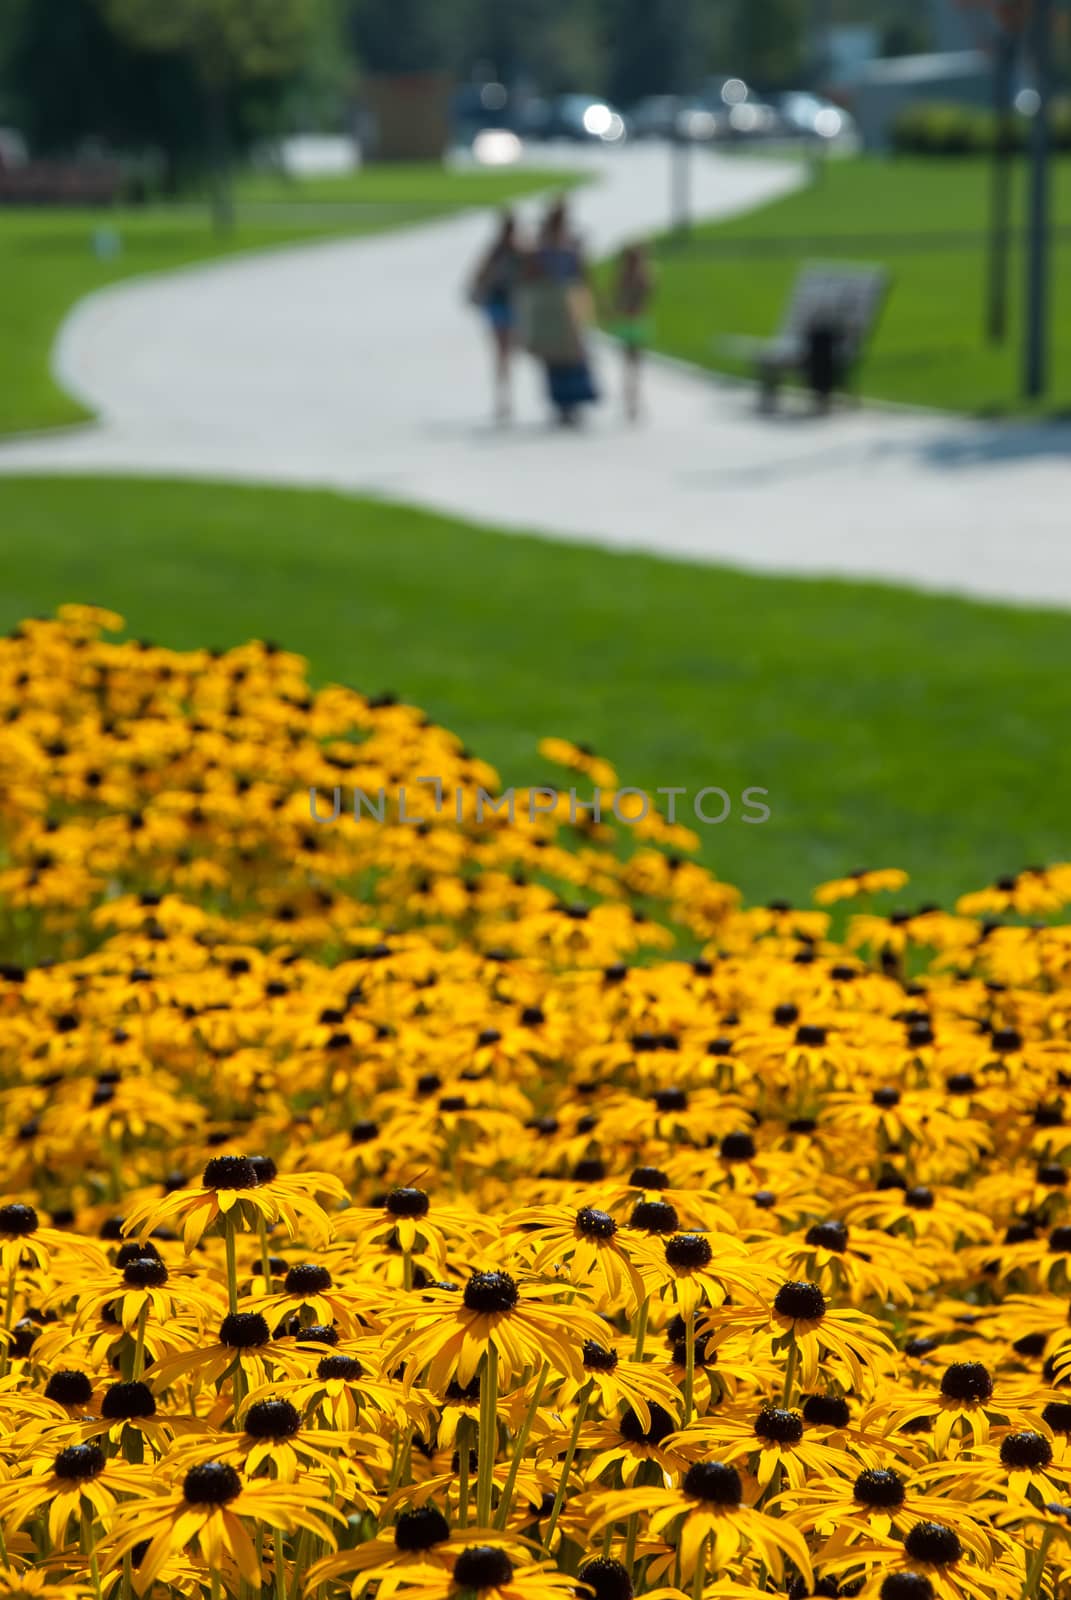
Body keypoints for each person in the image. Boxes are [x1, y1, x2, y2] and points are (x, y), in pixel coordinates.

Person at [528, 199, 598, 428]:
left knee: (574, 354)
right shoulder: (543, 246)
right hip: (553, 306)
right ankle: (561, 404)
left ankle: (574, 402)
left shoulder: (569, 244)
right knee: (556, 356)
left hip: (569, 304)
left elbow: (581, 275)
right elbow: (534, 275)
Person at [469, 211, 525, 423]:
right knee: (502, 353)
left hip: (511, 306)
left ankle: (505, 397)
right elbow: (479, 275)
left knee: (506, 353)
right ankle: (504, 398)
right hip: (500, 305)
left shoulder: (515, 251)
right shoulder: (498, 252)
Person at [610, 243, 654, 423]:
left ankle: (631, 397)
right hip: (634, 322)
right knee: (633, 364)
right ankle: (632, 397)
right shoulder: (641, 276)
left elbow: (618, 299)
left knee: (630, 364)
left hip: (631, 322)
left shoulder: (626, 276)